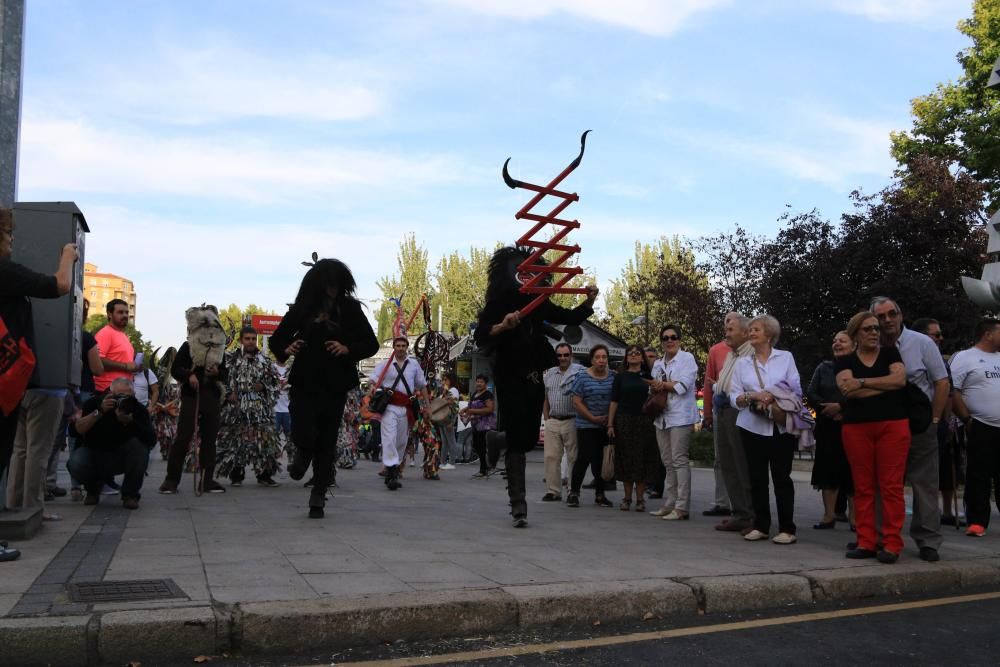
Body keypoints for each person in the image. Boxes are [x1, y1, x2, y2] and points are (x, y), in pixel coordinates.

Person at [474, 246, 598, 527]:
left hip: (534, 374)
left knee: (528, 438)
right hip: (508, 374)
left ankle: (498, 439)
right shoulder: (498, 303)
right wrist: (502, 326)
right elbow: (481, 335)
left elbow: (569, 318)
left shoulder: (538, 302)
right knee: (519, 439)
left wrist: (589, 302)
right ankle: (518, 504)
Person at [270, 258, 379, 518]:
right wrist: (289, 348)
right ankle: (303, 452)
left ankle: (318, 494)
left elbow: (371, 343)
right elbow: (277, 341)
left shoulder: (350, 309)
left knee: (327, 440)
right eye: (329, 283)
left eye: (337, 283)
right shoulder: (303, 309)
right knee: (303, 430)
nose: (333, 288)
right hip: (305, 381)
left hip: (335, 383)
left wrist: (347, 349)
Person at [1, 210, 78, 553]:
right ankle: (28, 506)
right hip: (8, 377)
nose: (12, 241)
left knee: (17, 449)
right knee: (24, 450)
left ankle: (13, 504)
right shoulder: (5, 272)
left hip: (15, 383)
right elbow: (60, 285)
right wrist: (67, 256)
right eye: (7, 235)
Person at [871, 296, 950, 562]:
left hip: (918, 424)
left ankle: (928, 540)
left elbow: (941, 382)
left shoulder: (922, 343)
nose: (887, 320)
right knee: (884, 483)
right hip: (882, 424)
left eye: (891, 314)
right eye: (881, 317)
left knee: (924, 484)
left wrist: (935, 420)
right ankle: (882, 537)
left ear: (900, 314)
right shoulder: (871, 345)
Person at [836, 311, 909, 563]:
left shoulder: (891, 353)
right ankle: (866, 541)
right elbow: (848, 391)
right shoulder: (844, 361)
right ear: (855, 334)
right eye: (868, 329)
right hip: (857, 427)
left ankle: (891, 543)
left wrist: (863, 382)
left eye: (876, 328)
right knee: (863, 487)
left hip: (893, 426)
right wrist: (881, 385)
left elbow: (900, 381)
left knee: (891, 487)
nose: (875, 333)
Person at [730, 315, 802, 545]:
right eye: (750, 329)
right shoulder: (741, 363)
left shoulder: (786, 358)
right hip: (751, 426)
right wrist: (752, 396)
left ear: (769, 334)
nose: (751, 333)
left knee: (782, 477)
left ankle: (787, 528)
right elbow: (733, 395)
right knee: (756, 477)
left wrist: (772, 395)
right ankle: (760, 525)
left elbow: (796, 387)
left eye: (756, 329)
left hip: (781, 426)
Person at [158, 306, 230, 495]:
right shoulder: (188, 346)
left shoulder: (220, 349)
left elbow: (225, 374)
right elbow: (175, 370)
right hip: (192, 397)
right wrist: (189, 375)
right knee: (183, 438)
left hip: (212, 397)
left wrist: (217, 373)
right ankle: (171, 480)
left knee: (209, 441)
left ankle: (207, 481)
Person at [67, 377, 155, 509]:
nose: (122, 400)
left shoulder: (138, 410)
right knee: (76, 462)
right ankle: (93, 489)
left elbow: (151, 440)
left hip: (122, 458)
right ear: (109, 393)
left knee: (140, 447)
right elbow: (75, 431)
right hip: (96, 454)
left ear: (134, 396)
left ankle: (130, 494)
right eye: (119, 396)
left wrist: (130, 423)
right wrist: (99, 412)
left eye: (127, 397)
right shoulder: (94, 403)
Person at [949, 318, 1000, 538]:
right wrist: (967, 419)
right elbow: (954, 390)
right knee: (979, 474)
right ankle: (978, 521)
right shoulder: (964, 357)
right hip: (980, 425)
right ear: (988, 334)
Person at [912, 317, 963, 527]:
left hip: (935, 422)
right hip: (912, 419)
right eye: (936, 334)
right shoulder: (908, 354)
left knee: (935, 472)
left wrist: (945, 421)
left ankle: (939, 517)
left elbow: (948, 391)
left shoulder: (940, 361)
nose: (941, 339)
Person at [217, 326, 282, 487]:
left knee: (264, 440)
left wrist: (264, 385)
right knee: (236, 441)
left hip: (260, 408)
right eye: (248, 338)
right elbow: (221, 379)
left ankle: (264, 475)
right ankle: (236, 475)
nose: (251, 341)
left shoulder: (264, 360)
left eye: (253, 338)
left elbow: (274, 381)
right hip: (236, 408)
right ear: (241, 340)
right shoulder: (230, 358)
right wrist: (228, 393)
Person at [647, 325, 699, 521]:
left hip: (680, 416)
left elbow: (683, 386)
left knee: (679, 460)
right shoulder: (658, 364)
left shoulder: (687, 359)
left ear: (679, 340)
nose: (669, 340)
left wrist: (662, 385)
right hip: (662, 417)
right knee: (667, 462)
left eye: (673, 337)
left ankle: (682, 506)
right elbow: (652, 389)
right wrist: (655, 387)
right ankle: (670, 503)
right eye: (665, 338)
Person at [808, 330, 855, 530]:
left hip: (852, 424)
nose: (837, 344)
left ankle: (856, 518)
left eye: (842, 341)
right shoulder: (824, 368)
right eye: (834, 340)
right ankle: (829, 515)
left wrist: (842, 408)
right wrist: (828, 408)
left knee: (853, 472)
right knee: (828, 471)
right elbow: (811, 392)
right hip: (827, 427)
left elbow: (862, 393)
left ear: (853, 345)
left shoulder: (859, 368)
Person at [712, 315, 755, 534]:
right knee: (727, 463)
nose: (726, 333)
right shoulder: (731, 354)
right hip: (723, 410)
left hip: (740, 411)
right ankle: (738, 513)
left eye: (731, 329)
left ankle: (751, 514)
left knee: (741, 463)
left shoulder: (751, 352)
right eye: (726, 329)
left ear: (745, 332)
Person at [369, 337, 430, 490]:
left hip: (406, 407)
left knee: (401, 441)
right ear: (394, 347)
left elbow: (422, 385)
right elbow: (373, 380)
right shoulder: (386, 364)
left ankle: (394, 468)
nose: (401, 348)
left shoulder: (414, 364)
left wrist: (427, 406)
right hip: (389, 406)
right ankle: (391, 473)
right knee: (389, 438)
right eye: (398, 345)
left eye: (403, 345)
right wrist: (371, 387)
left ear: (407, 347)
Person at [606, 344, 658, 512]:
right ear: (626, 358)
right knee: (626, 459)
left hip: (644, 421)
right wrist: (610, 424)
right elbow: (614, 401)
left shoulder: (649, 375)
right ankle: (627, 498)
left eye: (637, 353)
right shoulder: (620, 377)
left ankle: (640, 499)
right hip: (624, 420)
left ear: (642, 358)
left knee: (642, 460)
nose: (634, 356)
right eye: (631, 354)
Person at [701, 312, 742, 517]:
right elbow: (708, 383)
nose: (727, 328)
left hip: (740, 410)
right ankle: (721, 501)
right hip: (720, 410)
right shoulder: (716, 350)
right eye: (726, 323)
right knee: (720, 458)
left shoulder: (747, 351)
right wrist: (707, 413)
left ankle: (740, 506)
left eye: (731, 324)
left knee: (739, 459)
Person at [567, 344, 615, 509]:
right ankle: (574, 493)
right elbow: (576, 401)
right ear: (592, 360)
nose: (601, 360)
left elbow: (615, 400)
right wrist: (592, 418)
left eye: (604, 357)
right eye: (598, 357)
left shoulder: (612, 377)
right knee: (584, 458)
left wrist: (609, 420)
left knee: (600, 461)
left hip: (605, 425)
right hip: (586, 424)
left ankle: (600, 495)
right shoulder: (582, 377)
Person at [68, 298, 104, 501]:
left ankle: (47, 483)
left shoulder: (58, 334)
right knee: (79, 438)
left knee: (52, 441)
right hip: (84, 391)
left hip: (59, 389)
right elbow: (98, 368)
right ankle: (76, 486)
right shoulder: (86, 337)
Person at [541, 343, 583, 501]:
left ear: (571, 355)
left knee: (573, 457)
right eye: (559, 355)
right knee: (551, 457)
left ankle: (573, 491)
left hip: (572, 419)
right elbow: (544, 398)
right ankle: (553, 491)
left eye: (566, 355)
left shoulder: (579, 372)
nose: (563, 358)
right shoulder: (549, 374)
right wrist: (547, 419)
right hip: (553, 420)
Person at [94, 299, 138, 393]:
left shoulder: (124, 336)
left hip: (123, 390)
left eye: (126, 312)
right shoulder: (105, 333)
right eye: (120, 312)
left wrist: (135, 366)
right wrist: (125, 366)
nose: (125, 315)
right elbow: (98, 361)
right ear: (110, 314)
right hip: (107, 390)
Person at [460, 374, 495, 479]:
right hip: (475, 424)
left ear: (485, 383)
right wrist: (464, 410)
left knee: (482, 447)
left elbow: (490, 409)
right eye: (478, 381)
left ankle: (483, 469)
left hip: (485, 425)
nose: (479, 384)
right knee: (477, 446)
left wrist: (472, 411)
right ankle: (486, 466)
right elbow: (470, 405)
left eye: (481, 382)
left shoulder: (488, 395)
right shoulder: (475, 393)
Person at [437, 373, 460, 470]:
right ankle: (443, 462)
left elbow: (454, 405)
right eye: (443, 380)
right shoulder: (446, 390)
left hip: (448, 419)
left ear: (451, 380)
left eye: (446, 379)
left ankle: (452, 462)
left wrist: (453, 421)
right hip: (443, 419)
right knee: (445, 441)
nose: (444, 382)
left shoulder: (453, 390)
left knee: (451, 441)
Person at [273, 357, 292, 449]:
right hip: (274, 410)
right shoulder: (270, 368)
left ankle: (292, 461)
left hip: (288, 410)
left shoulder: (291, 370)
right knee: (272, 440)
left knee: (291, 440)